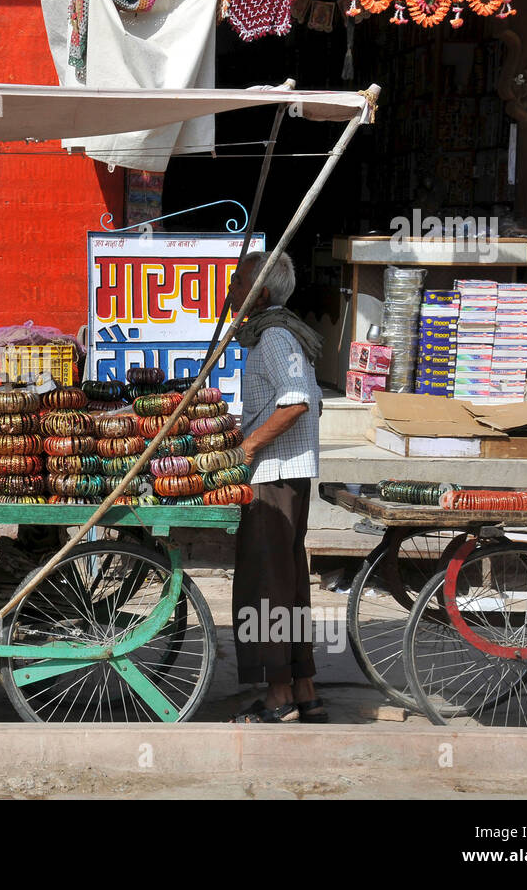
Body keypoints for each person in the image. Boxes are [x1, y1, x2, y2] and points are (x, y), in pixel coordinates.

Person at [224, 250, 327, 724]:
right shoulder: (281, 334)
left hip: (273, 475)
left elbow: (297, 401)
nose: (230, 292)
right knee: (288, 585)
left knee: (264, 585)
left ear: (260, 293)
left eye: (238, 284)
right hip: (287, 473)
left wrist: (246, 448)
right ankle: (304, 688)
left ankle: (278, 695)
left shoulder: (273, 336)